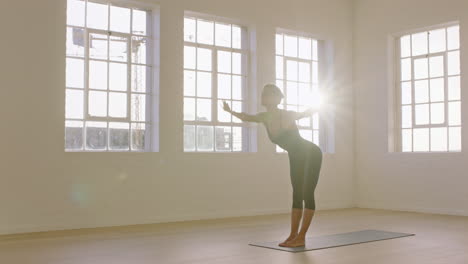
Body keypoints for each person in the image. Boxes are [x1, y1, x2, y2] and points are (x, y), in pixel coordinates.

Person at [222, 83, 323, 248]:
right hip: (296, 156)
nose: (263, 97)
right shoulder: (265, 117)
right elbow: (246, 117)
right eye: (263, 94)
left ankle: (301, 237)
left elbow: (307, 113)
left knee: (306, 194)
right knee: (296, 195)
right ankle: (292, 236)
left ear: (276, 98)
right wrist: (229, 111)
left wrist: (322, 104)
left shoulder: (288, 114)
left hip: (311, 154)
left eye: (267, 94)